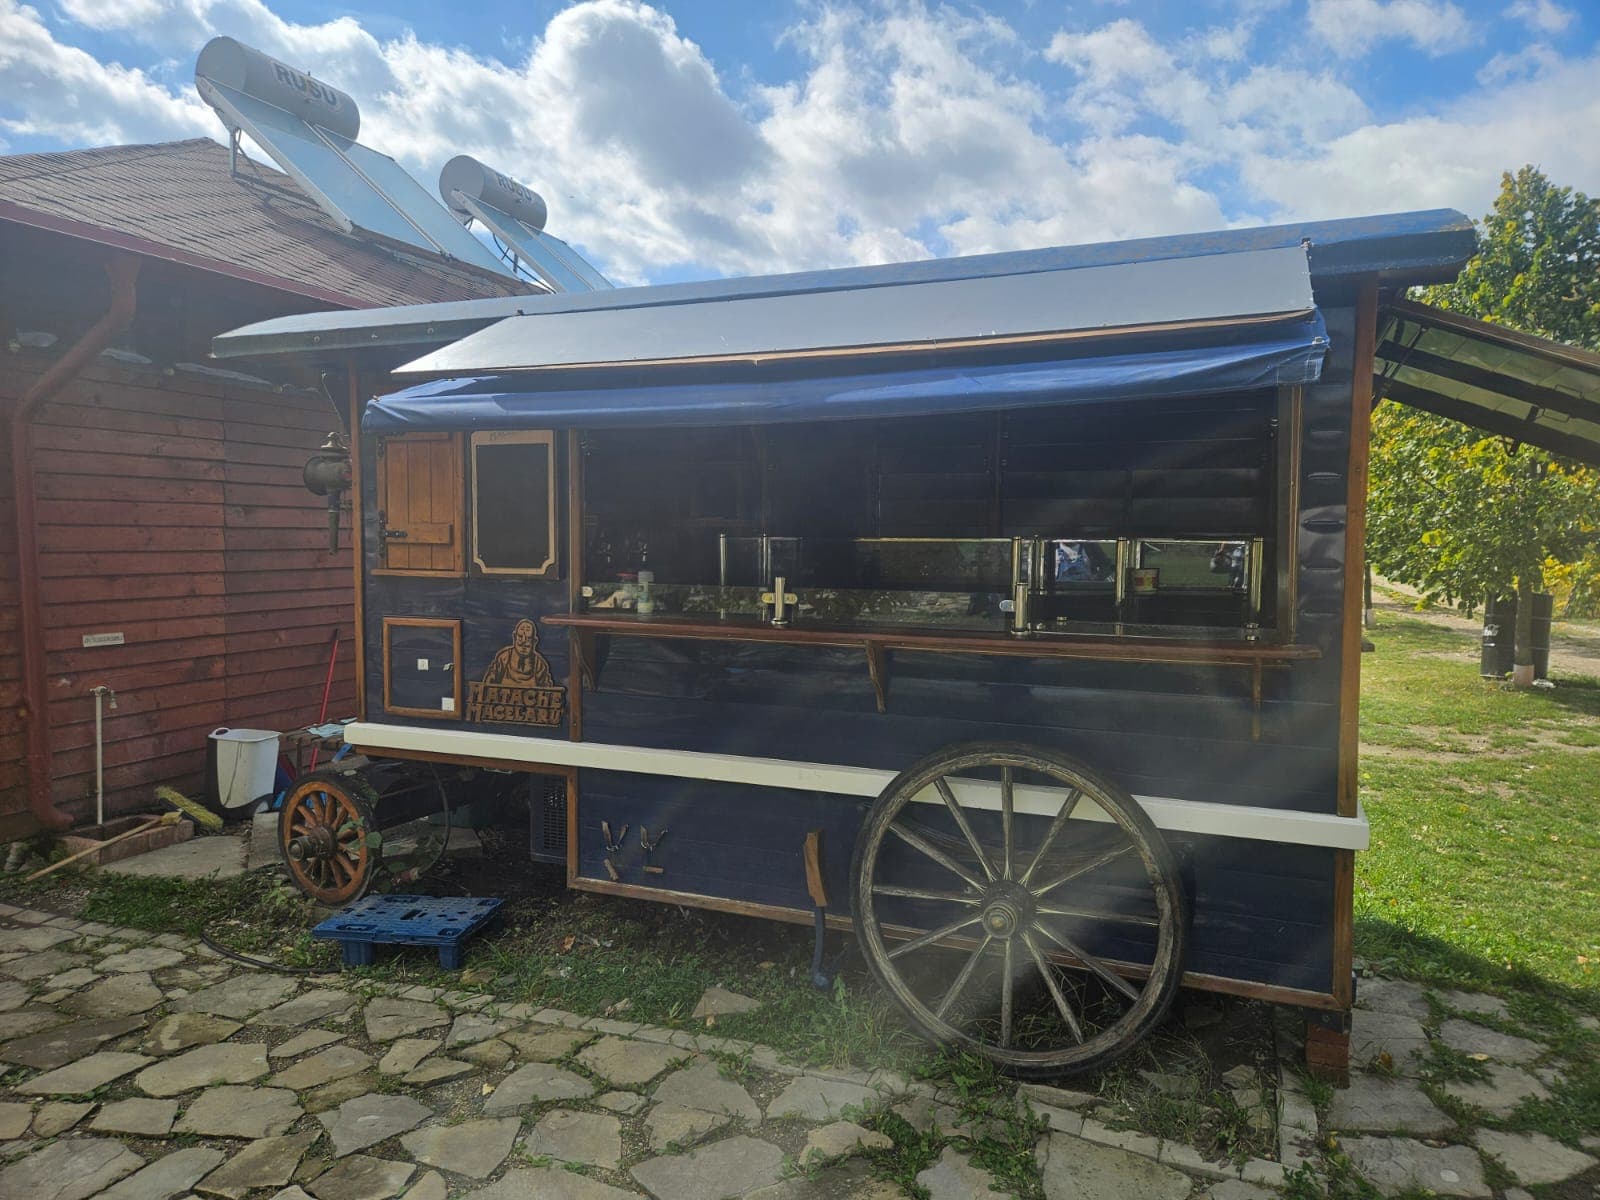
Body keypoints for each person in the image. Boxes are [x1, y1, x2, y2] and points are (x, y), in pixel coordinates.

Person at [482, 618, 552, 687]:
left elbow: (548, 690)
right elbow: (489, 682)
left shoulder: (539, 664)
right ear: (514, 637)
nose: (524, 642)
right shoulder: (504, 658)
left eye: (528, 639)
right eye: (520, 637)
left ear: (534, 641)